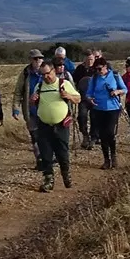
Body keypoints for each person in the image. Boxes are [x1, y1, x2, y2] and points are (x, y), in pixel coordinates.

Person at [29, 62, 79, 191]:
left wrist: (68, 96)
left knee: (62, 152)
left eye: (48, 73)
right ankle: (48, 180)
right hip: (44, 125)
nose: (46, 77)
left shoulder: (64, 84)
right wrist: (32, 100)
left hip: (61, 125)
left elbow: (78, 99)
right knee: (45, 153)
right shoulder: (39, 86)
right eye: (43, 74)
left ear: (54, 71)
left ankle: (66, 175)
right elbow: (33, 103)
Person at [83, 57, 127, 171]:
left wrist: (117, 91)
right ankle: (106, 159)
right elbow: (88, 93)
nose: (98, 71)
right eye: (96, 69)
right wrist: (89, 99)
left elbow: (124, 89)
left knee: (110, 133)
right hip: (98, 109)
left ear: (105, 67)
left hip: (113, 108)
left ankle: (113, 156)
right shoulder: (94, 78)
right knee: (102, 135)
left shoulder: (115, 75)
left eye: (100, 69)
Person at [15, 50, 49, 171]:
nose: (38, 60)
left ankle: (48, 158)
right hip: (31, 111)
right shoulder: (25, 73)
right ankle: (39, 159)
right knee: (35, 136)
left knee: (46, 135)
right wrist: (15, 108)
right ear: (30, 60)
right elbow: (18, 91)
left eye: (40, 58)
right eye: (35, 58)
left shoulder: (47, 72)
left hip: (46, 110)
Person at [73, 53, 97, 150]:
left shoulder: (97, 69)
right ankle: (85, 135)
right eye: (88, 59)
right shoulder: (79, 69)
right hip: (83, 98)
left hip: (95, 98)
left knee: (95, 118)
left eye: (91, 59)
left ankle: (93, 138)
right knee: (82, 117)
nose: (89, 61)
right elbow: (74, 81)